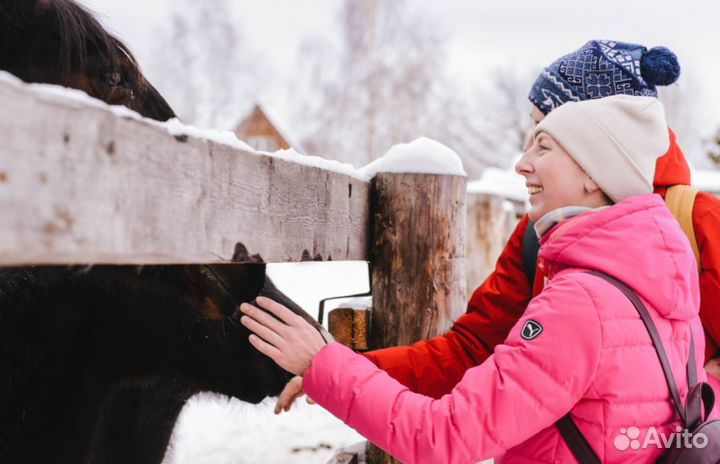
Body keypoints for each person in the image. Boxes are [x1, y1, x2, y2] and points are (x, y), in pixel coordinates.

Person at [240, 95, 705, 463]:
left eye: (543, 147)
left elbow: (443, 436)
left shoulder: (579, 302)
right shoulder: (665, 290)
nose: (522, 164)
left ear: (592, 174)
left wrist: (322, 363)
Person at [273, 39, 720, 410]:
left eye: (544, 136)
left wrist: (690, 393)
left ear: (595, 141)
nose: (524, 159)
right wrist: (346, 372)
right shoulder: (538, 240)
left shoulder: (699, 225)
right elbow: (472, 350)